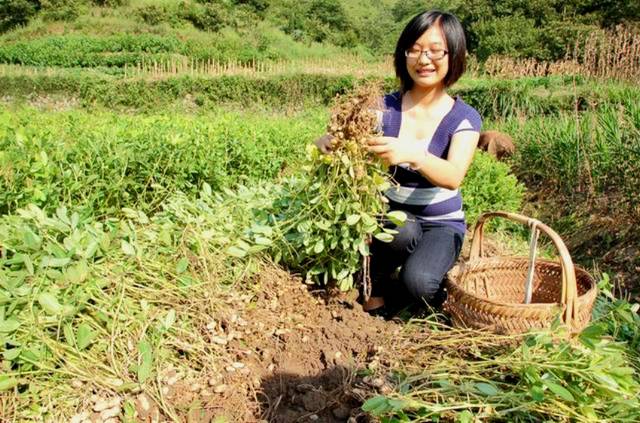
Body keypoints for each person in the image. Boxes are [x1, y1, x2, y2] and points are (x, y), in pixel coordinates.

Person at [316, 10, 481, 316]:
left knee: (418, 284)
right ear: (403, 54)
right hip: (393, 216)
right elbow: (340, 137)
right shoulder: (384, 108)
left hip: (441, 224)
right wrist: (325, 143)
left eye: (435, 50)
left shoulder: (464, 117)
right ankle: (373, 285)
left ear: (454, 55)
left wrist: (413, 154)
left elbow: (453, 176)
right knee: (400, 229)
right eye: (415, 49)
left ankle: (422, 276)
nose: (424, 59)